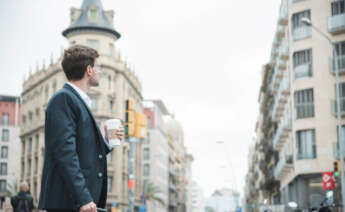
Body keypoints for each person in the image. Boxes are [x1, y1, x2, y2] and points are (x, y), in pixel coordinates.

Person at [38, 45, 124, 212]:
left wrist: (107, 142)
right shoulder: (63, 99)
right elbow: (66, 153)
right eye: (98, 67)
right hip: (69, 202)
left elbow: (83, 152)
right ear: (89, 70)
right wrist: (84, 198)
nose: (101, 71)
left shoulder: (77, 99)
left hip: (79, 202)